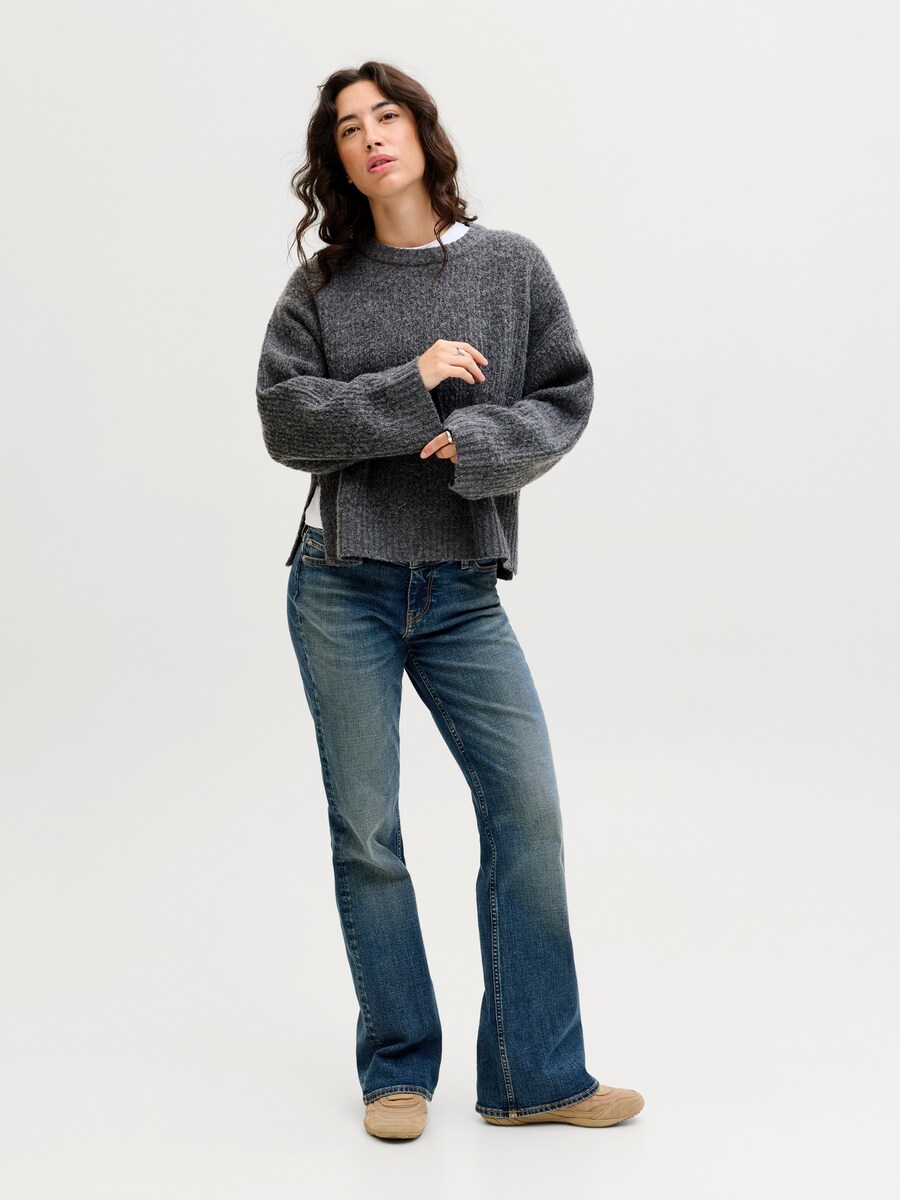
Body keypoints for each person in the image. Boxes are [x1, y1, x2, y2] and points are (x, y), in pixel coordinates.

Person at [255, 59, 645, 1140]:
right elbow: (284, 421)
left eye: (386, 115)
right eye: (348, 128)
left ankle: (536, 1078)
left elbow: (565, 396)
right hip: (341, 583)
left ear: (423, 132)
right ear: (337, 161)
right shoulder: (321, 288)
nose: (371, 136)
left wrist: (477, 439)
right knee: (369, 832)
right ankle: (397, 1070)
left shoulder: (510, 267)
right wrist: (411, 383)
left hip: (463, 590)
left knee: (527, 812)